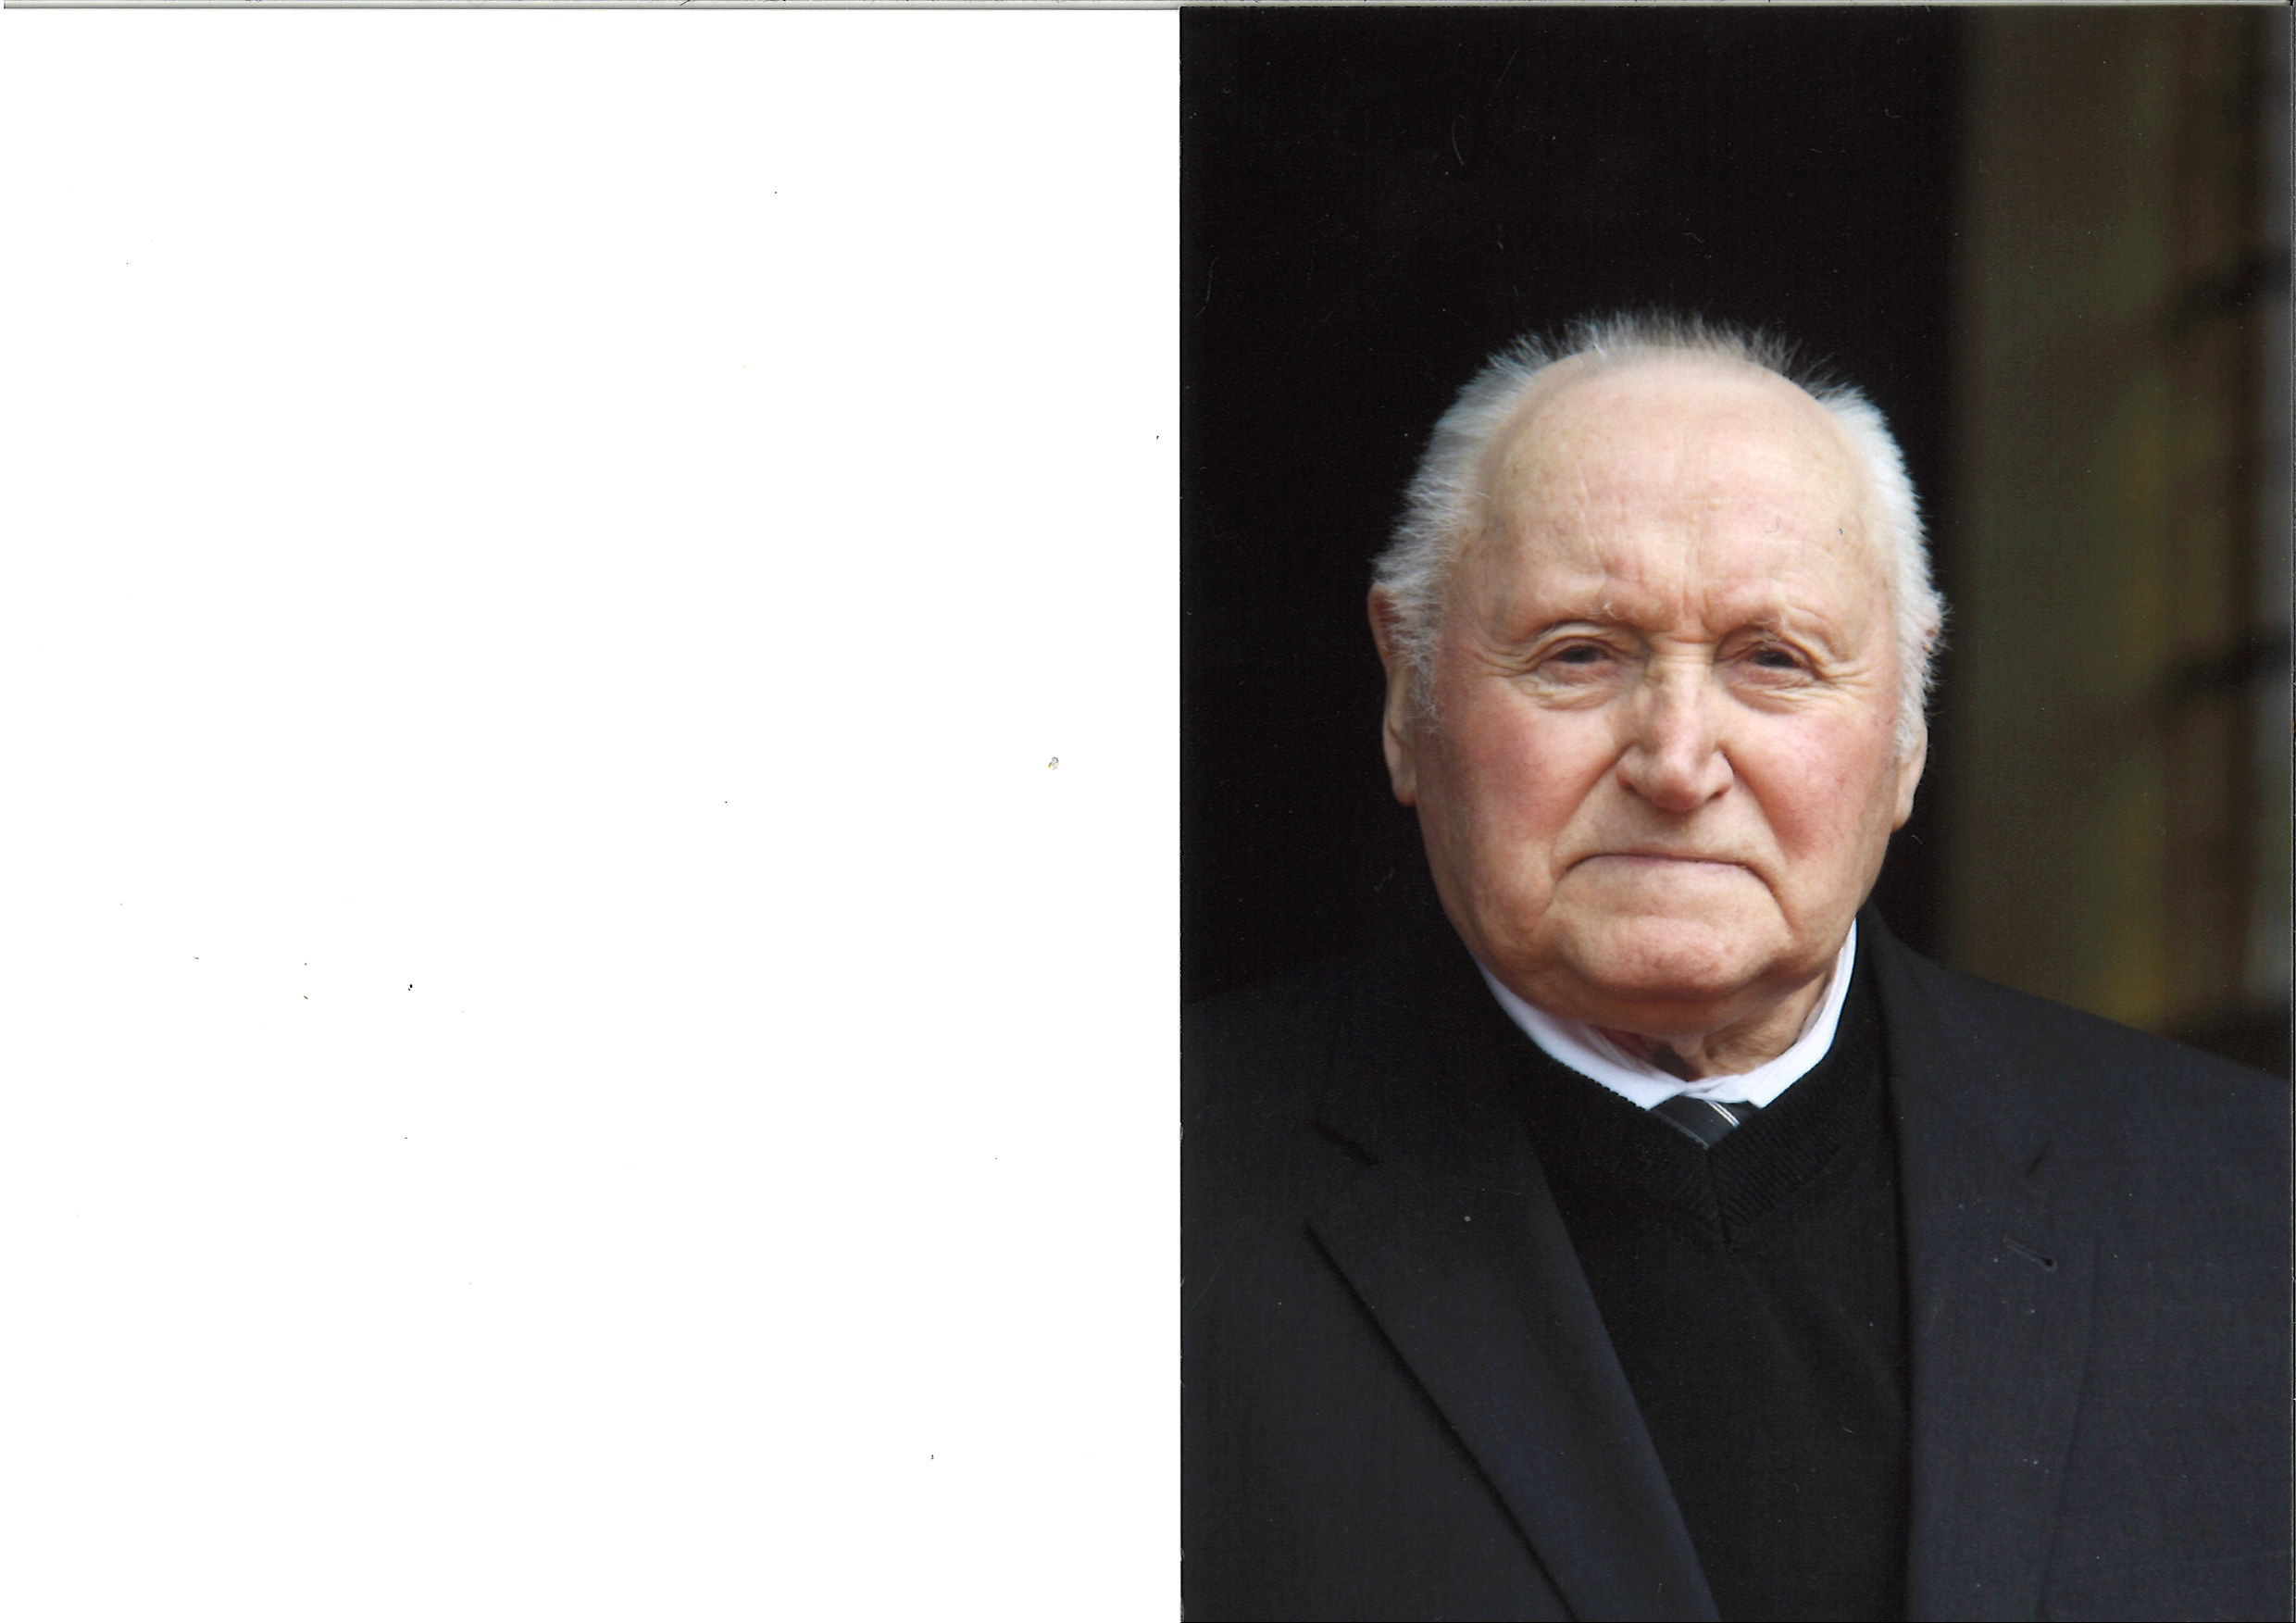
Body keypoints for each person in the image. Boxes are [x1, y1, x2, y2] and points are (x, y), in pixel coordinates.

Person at [1182, 315, 2291, 1623]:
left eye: (1774, 659)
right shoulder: (1119, 1195)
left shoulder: (2252, 1206)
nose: (1677, 760)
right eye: (1579, 653)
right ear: (1405, 694)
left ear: (1906, 733)